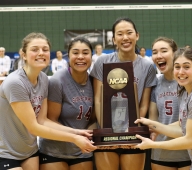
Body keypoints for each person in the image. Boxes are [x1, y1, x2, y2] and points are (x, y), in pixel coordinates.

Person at [0, 32, 96, 170]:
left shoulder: (44, 79)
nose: (41, 53)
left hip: (30, 151)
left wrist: (77, 132)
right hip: (6, 153)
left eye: (45, 50)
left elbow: (43, 120)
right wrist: (74, 138)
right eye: (34, 49)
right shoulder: (15, 83)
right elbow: (34, 127)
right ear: (24, 55)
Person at [135, 47, 192, 169]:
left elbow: (190, 141)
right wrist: (153, 125)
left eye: (186, 67)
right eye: (177, 67)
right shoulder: (186, 92)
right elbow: (182, 126)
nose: (181, 72)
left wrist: (153, 145)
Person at [90, 17, 157, 170]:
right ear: (114, 39)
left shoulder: (147, 66)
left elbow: (144, 104)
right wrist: (108, 131)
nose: (125, 37)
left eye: (129, 33)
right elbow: (98, 100)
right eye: (120, 34)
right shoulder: (102, 62)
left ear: (137, 35)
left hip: (133, 134)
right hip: (107, 134)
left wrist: (129, 132)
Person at [39, 37, 96, 170]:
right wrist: (76, 137)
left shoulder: (95, 82)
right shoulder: (57, 81)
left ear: (91, 56)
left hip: (82, 150)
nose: (80, 57)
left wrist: (88, 135)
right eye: (75, 53)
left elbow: (94, 119)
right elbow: (51, 121)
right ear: (68, 56)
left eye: (85, 53)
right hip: (54, 150)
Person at [149, 37, 190, 170]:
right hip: (162, 153)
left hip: (188, 153)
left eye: (164, 51)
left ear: (175, 53)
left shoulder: (189, 83)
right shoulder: (155, 84)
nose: (158, 55)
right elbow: (153, 119)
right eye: (154, 52)